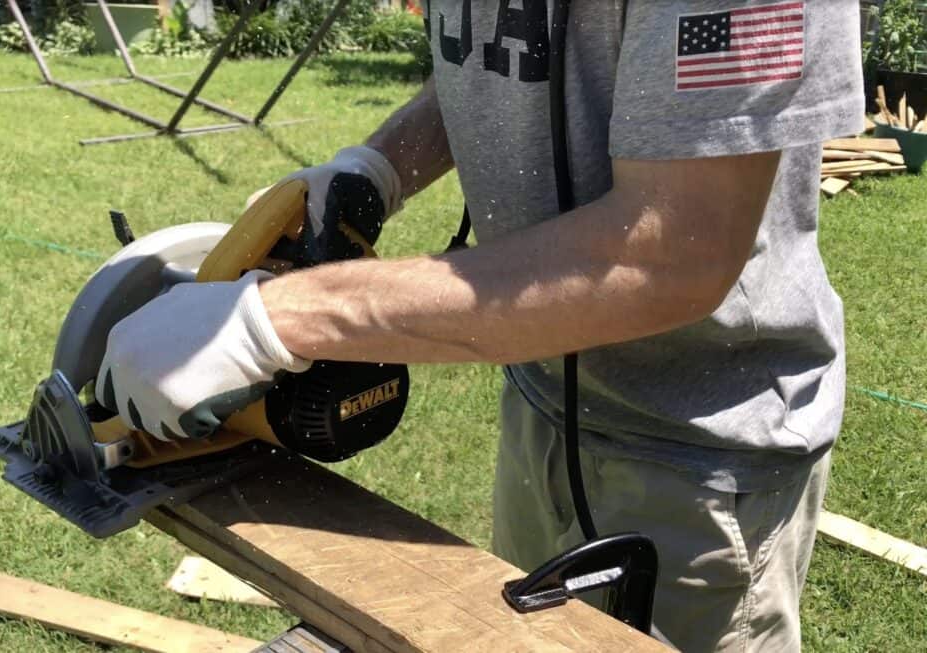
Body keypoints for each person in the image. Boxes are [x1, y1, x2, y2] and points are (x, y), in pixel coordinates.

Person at [95, 1, 865, 650]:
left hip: (701, 455)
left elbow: (675, 251)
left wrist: (278, 320)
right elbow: (493, 59)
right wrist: (381, 166)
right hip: (542, 401)